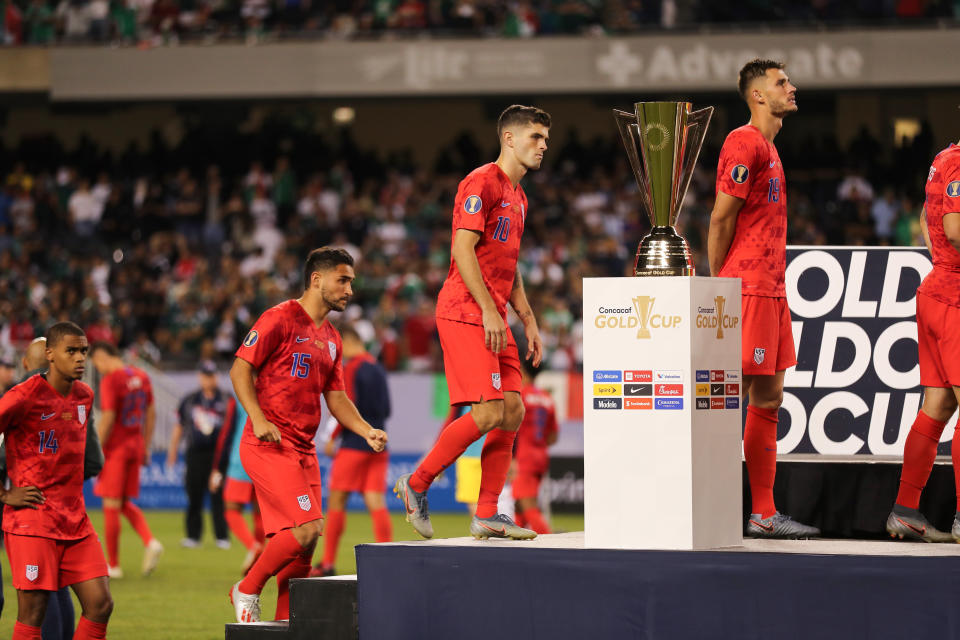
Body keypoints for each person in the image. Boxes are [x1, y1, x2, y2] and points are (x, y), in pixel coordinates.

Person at [393, 104, 549, 541]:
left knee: (513, 410)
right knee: (487, 413)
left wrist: (529, 321)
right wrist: (486, 309)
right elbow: (462, 251)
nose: (543, 146)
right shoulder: (480, 182)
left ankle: (487, 513)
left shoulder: (519, 197)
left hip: (494, 314)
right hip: (465, 311)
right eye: (535, 137)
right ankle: (416, 484)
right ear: (509, 139)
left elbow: (509, 265)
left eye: (545, 140)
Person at [228, 247, 387, 624]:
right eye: (343, 279)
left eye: (351, 281)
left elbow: (336, 397)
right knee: (307, 528)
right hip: (268, 444)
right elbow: (239, 370)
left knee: (305, 548)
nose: (349, 289)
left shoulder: (331, 337)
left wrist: (366, 430)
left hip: (304, 450)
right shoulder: (279, 318)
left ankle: (287, 623)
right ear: (317, 279)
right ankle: (247, 587)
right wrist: (258, 417)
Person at [707, 59, 819, 539]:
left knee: (769, 398)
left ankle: (764, 513)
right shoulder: (744, 141)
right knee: (734, 398)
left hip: (773, 290)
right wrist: (721, 287)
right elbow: (720, 219)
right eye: (781, 83)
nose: (791, 88)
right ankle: (707, 505)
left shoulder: (769, 149)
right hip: (748, 288)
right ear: (757, 95)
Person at [0, 321, 113, 640]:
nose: (80, 358)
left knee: (101, 604)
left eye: (84, 351)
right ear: (50, 354)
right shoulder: (23, 396)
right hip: (32, 522)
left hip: (75, 520)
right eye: (71, 351)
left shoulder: (84, 396)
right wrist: (5, 494)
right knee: (33, 614)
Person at [885, 136, 960, 542]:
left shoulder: (943, 159)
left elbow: (927, 223)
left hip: (937, 292)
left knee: (937, 406)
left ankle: (906, 510)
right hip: (955, 300)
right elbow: (954, 228)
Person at [313, 326, 392, 577]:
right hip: (378, 444)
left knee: (337, 501)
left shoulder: (351, 368)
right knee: (375, 501)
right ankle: (387, 561)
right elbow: (387, 410)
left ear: (348, 341)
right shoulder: (378, 368)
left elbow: (345, 407)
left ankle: (327, 563)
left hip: (354, 444)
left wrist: (332, 437)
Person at [89, 341, 164, 577]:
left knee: (110, 505)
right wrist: (145, 444)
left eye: (96, 364)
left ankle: (113, 565)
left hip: (117, 449)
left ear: (102, 357)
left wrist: (95, 449)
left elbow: (109, 417)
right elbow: (151, 413)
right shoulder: (141, 376)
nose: (98, 369)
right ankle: (150, 542)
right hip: (135, 446)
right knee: (121, 501)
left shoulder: (111, 380)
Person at [167, 359, 231, 548]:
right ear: (199, 377)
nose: (208, 380)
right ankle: (193, 536)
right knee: (193, 494)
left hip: (218, 455)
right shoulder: (189, 400)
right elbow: (179, 426)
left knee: (218, 495)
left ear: (216, 377)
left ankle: (222, 536)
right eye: (205, 376)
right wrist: (173, 450)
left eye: (211, 376)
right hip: (194, 454)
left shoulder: (226, 399)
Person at [211, 396, 265, 575]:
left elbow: (227, 431)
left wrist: (217, 468)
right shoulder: (274, 391)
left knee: (231, 509)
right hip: (266, 461)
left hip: (240, 460)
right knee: (261, 513)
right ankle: (260, 561)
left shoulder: (239, 396)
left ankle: (253, 547)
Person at [513, 359, 558, 535]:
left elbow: (511, 427)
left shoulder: (520, 395)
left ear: (521, 370)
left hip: (523, 457)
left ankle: (552, 547)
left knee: (528, 506)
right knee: (519, 507)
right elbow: (553, 436)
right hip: (540, 456)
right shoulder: (547, 397)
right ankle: (513, 547)